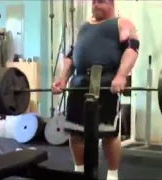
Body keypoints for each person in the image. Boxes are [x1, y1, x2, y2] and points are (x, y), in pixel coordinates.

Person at [52, 0, 139, 180]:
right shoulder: (83, 27)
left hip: (106, 83)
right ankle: (79, 171)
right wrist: (62, 79)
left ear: (111, 3)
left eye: (100, 2)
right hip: (79, 84)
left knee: (108, 133)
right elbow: (72, 57)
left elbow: (131, 50)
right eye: (93, 2)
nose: (95, 5)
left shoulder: (121, 23)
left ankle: (112, 175)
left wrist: (122, 75)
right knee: (75, 132)